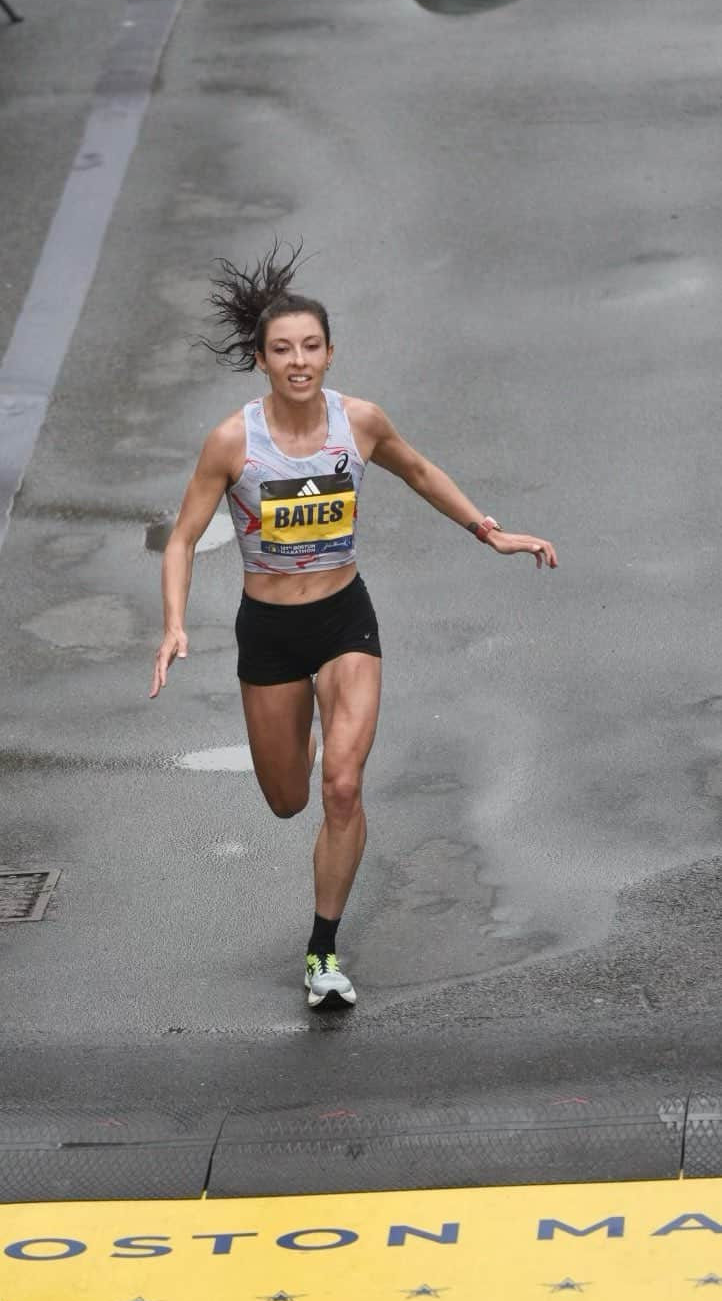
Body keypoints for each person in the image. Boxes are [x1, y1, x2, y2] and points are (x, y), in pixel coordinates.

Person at [149, 244, 557, 1010]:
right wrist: (173, 624)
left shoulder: (358, 421)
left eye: (310, 347)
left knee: (342, 785)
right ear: (262, 362)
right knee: (287, 798)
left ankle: (322, 953)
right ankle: (298, 725)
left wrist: (488, 531)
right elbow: (180, 539)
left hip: (344, 621)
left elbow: (419, 469)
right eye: (282, 351)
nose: (298, 361)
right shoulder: (232, 443)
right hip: (267, 633)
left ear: (330, 353)